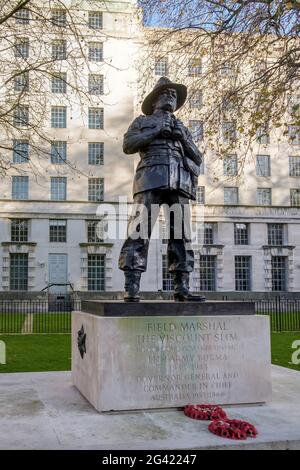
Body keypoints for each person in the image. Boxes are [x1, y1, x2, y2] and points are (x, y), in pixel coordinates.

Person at [118, 76, 205, 303]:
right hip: (150, 177)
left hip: (179, 183)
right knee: (139, 231)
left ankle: (182, 289)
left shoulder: (182, 128)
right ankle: (132, 288)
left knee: (181, 236)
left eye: (174, 95)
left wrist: (181, 139)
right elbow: (128, 145)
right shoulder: (141, 121)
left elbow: (197, 157)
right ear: (155, 100)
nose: (171, 97)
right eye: (166, 93)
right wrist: (155, 132)